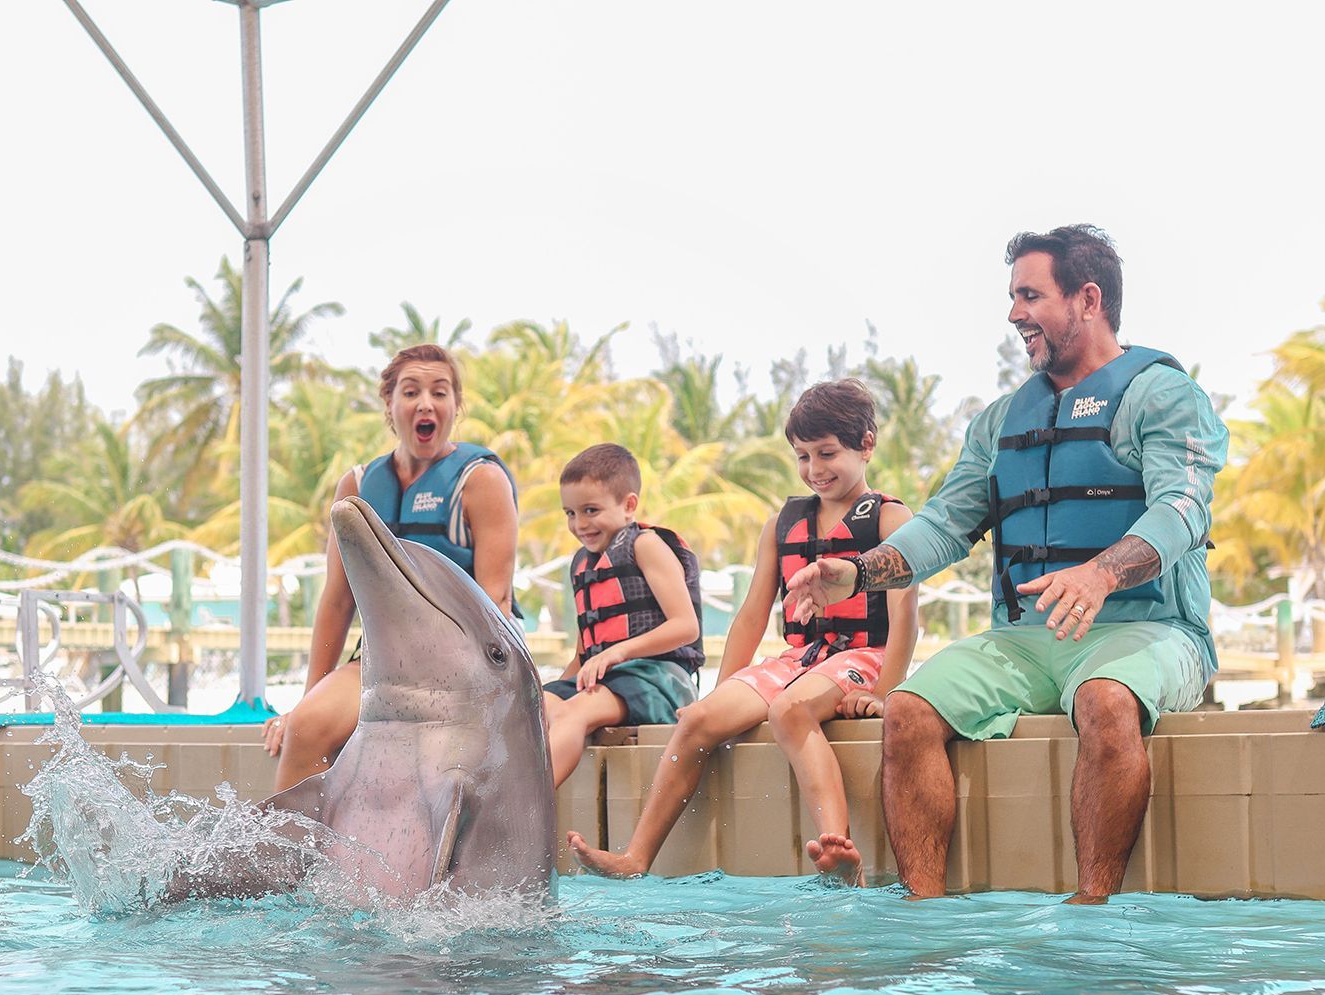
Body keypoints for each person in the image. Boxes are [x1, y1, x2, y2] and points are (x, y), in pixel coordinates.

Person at [786, 225, 1228, 904]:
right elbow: (945, 523)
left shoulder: (1164, 396)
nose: (1014, 313)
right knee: (907, 710)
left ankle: (1090, 911)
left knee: (1105, 701)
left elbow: (1182, 510)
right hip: (1024, 640)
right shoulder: (1000, 422)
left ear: (1087, 298)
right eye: (1012, 296)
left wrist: (1101, 572)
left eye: (1030, 294)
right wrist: (858, 571)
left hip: (1151, 630)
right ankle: (924, 915)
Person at [569, 379, 918, 885]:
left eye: (827, 453)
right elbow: (753, 614)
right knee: (697, 720)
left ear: (866, 445)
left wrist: (886, 690)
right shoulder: (784, 523)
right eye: (802, 456)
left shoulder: (888, 518)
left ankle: (839, 852)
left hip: (864, 653)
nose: (815, 470)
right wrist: (724, 688)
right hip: (802, 656)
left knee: (791, 711)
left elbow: (906, 610)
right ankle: (636, 857)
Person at [263, 343, 521, 791]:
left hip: (464, 665)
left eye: (440, 393)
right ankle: (296, 861)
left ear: (456, 406)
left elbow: (494, 602)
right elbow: (338, 601)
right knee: (306, 728)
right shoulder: (359, 486)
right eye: (411, 391)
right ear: (389, 404)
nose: (426, 403)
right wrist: (306, 700)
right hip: (379, 662)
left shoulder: (480, 481)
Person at [542, 443, 704, 788]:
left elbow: (685, 627)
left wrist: (619, 652)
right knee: (533, 708)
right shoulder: (583, 563)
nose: (580, 524)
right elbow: (585, 652)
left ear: (628, 505)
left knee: (573, 714)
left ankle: (521, 809)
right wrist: (559, 685)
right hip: (610, 681)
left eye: (590, 510)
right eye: (570, 513)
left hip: (659, 679)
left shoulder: (645, 545)